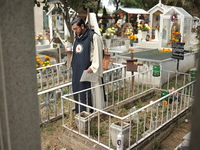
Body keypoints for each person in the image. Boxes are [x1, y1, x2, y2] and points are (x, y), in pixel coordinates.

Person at [65, 17, 105, 114]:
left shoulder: (94, 37)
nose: (75, 31)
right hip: (77, 71)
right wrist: (70, 52)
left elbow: (98, 53)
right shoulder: (77, 38)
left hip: (88, 71)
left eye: (76, 29)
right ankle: (80, 112)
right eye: (73, 29)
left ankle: (89, 113)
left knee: (88, 93)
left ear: (82, 26)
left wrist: (94, 67)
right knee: (78, 91)